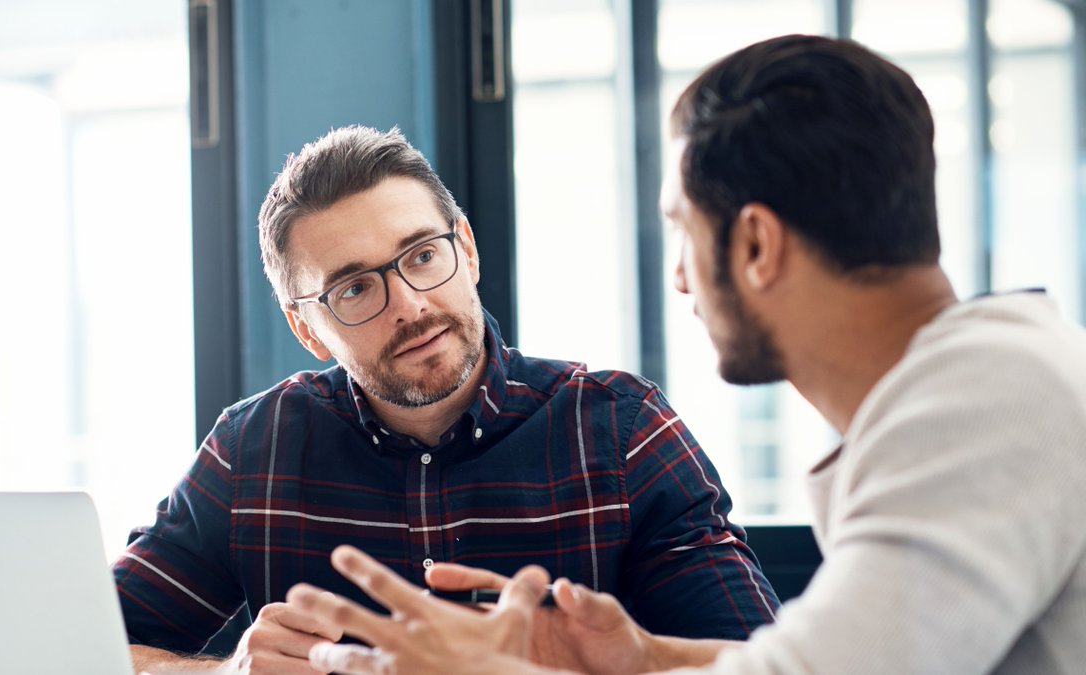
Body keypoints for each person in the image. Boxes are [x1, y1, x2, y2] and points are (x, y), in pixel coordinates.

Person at [287, 34, 1086, 675]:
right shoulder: (985, 384)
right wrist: (642, 658)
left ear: (756, 245)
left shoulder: (983, 406)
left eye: (682, 229)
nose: (677, 277)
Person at [114, 125, 779, 674]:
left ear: (466, 247)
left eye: (423, 255)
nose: (410, 305)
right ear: (305, 327)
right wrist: (222, 674)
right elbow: (78, 649)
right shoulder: (250, 452)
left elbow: (762, 664)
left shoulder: (623, 429)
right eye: (354, 289)